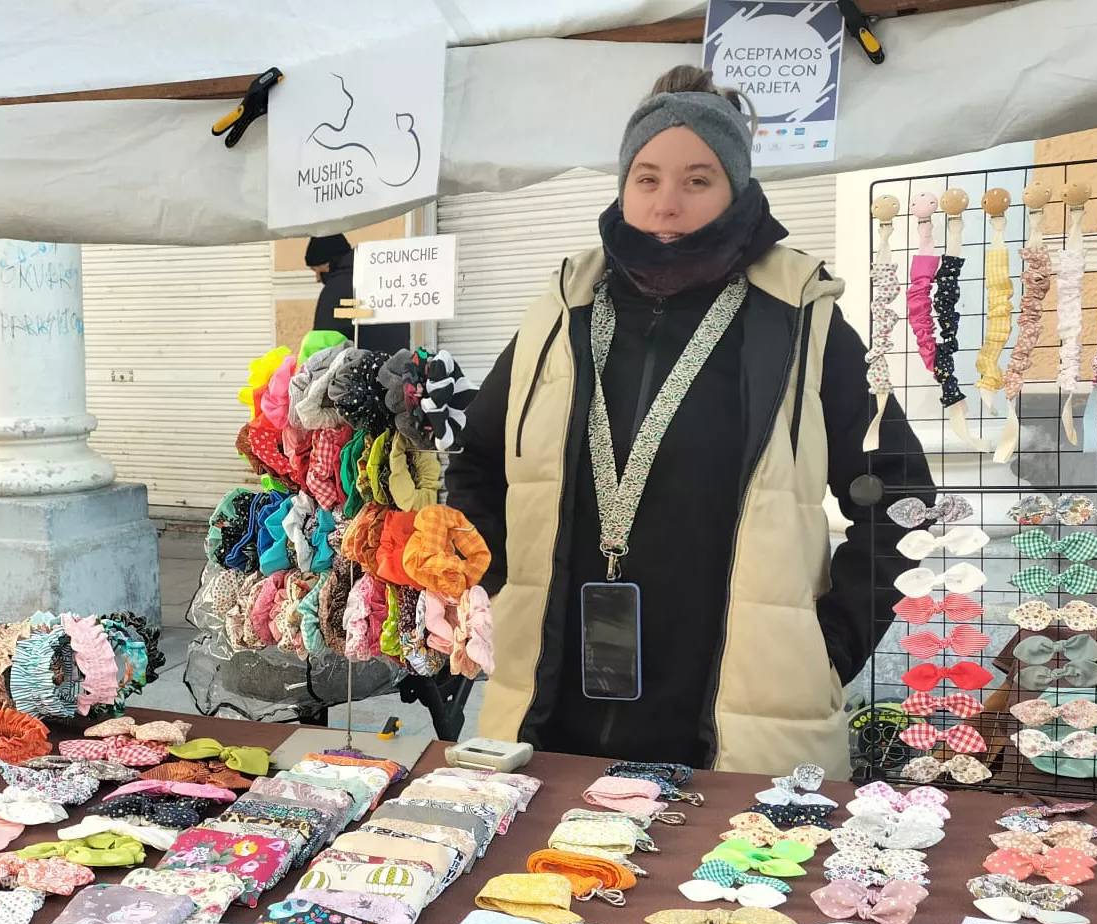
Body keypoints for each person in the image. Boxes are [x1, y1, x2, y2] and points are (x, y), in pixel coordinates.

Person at [446, 65, 933, 778]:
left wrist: (829, 646)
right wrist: (482, 588)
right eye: (646, 178)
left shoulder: (800, 319)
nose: (666, 203)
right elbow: (477, 464)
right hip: (552, 708)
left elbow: (903, 495)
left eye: (697, 179)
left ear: (736, 187)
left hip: (732, 718)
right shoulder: (561, 311)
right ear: (622, 185)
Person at [305, 234, 409, 355]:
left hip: (361, 369)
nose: (317, 278)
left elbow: (322, 347)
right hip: (398, 365)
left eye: (315, 270)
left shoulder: (336, 289)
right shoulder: (384, 279)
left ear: (326, 264)